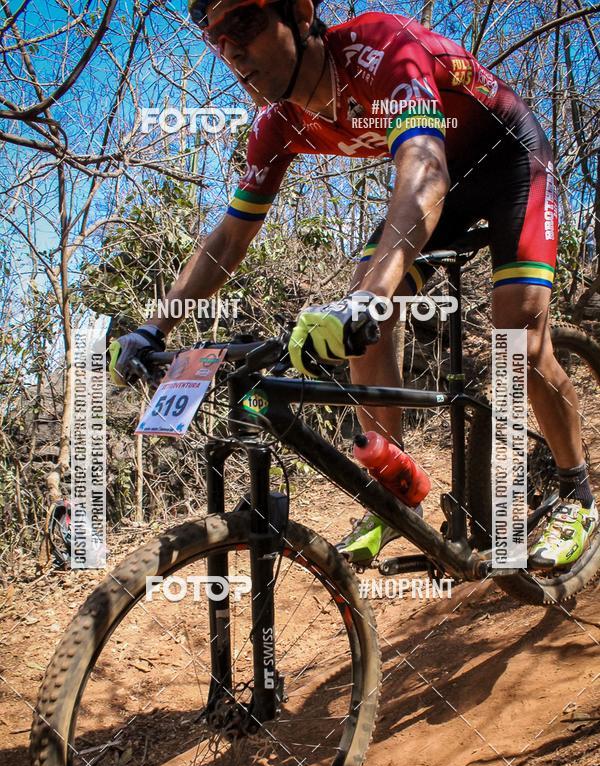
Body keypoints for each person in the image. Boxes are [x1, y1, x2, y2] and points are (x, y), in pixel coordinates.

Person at [109, 0, 597, 569]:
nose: (231, 49)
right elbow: (227, 240)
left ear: (299, 12)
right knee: (363, 309)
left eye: (244, 21)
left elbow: (425, 170)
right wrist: (152, 328)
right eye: (215, 38)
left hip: (509, 161)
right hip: (442, 183)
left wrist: (372, 295)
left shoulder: (382, 50)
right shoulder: (277, 125)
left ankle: (578, 493)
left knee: (517, 336)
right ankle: (391, 488)